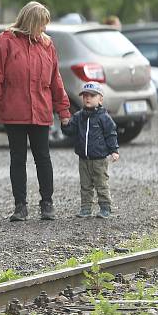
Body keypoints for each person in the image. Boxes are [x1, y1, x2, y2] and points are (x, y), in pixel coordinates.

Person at [0, 1, 71, 222]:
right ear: (31, 22)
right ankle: (20, 206)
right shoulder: (4, 42)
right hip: (15, 110)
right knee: (18, 158)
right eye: (41, 24)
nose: (44, 29)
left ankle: (47, 204)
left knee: (43, 157)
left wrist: (64, 109)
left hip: (40, 110)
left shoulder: (47, 45)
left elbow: (55, 79)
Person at [60, 82, 120, 219]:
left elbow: (111, 134)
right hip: (83, 159)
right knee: (85, 185)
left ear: (100, 99)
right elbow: (70, 131)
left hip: (99, 159)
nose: (88, 98)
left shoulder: (104, 117)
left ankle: (105, 207)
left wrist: (114, 150)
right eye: (85, 95)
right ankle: (86, 208)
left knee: (101, 184)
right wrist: (65, 124)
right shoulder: (79, 116)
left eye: (92, 96)